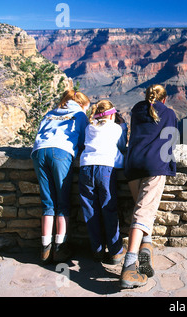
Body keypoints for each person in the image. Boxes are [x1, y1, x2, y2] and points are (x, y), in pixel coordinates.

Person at [120, 84, 178, 289]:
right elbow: (170, 142)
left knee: (142, 209)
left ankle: (147, 247)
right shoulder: (169, 113)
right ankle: (129, 267)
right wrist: (170, 166)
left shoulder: (136, 109)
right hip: (154, 165)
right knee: (143, 214)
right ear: (164, 99)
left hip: (133, 164)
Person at [31, 89, 90, 264]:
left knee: (48, 203)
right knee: (62, 203)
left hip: (39, 151)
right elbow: (83, 142)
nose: (86, 111)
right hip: (61, 152)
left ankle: (45, 248)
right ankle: (59, 248)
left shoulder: (50, 113)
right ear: (81, 104)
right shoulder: (79, 115)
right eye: (86, 108)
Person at [78, 100, 128, 264]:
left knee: (90, 210)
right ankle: (115, 251)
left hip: (85, 167)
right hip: (105, 168)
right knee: (109, 208)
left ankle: (97, 249)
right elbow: (121, 147)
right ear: (112, 114)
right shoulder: (116, 128)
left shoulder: (89, 127)